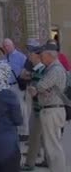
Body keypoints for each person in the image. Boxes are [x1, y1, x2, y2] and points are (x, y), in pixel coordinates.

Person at [27, 42, 68, 172]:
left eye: (43, 56)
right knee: (53, 146)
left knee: (53, 147)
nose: (41, 58)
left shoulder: (55, 69)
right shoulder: (52, 68)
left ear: (50, 55)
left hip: (52, 110)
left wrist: (38, 89)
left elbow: (40, 86)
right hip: (52, 109)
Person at [21, 42, 49, 171]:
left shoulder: (42, 69)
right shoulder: (38, 69)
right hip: (38, 107)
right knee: (42, 137)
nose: (29, 56)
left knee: (34, 136)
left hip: (40, 109)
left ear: (37, 56)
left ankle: (29, 164)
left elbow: (39, 88)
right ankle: (47, 160)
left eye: (31, 54)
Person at [2, 38, 29, 141]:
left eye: (7, 46)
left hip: (18, 85)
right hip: (8, 86)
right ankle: (16, 130)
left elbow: (27, 70)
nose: (6, 48)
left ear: (12, 45)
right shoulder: (5, 58)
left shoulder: (21, 57)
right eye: (4, 46)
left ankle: (24, 131)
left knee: (21, 108)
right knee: (11, 109)